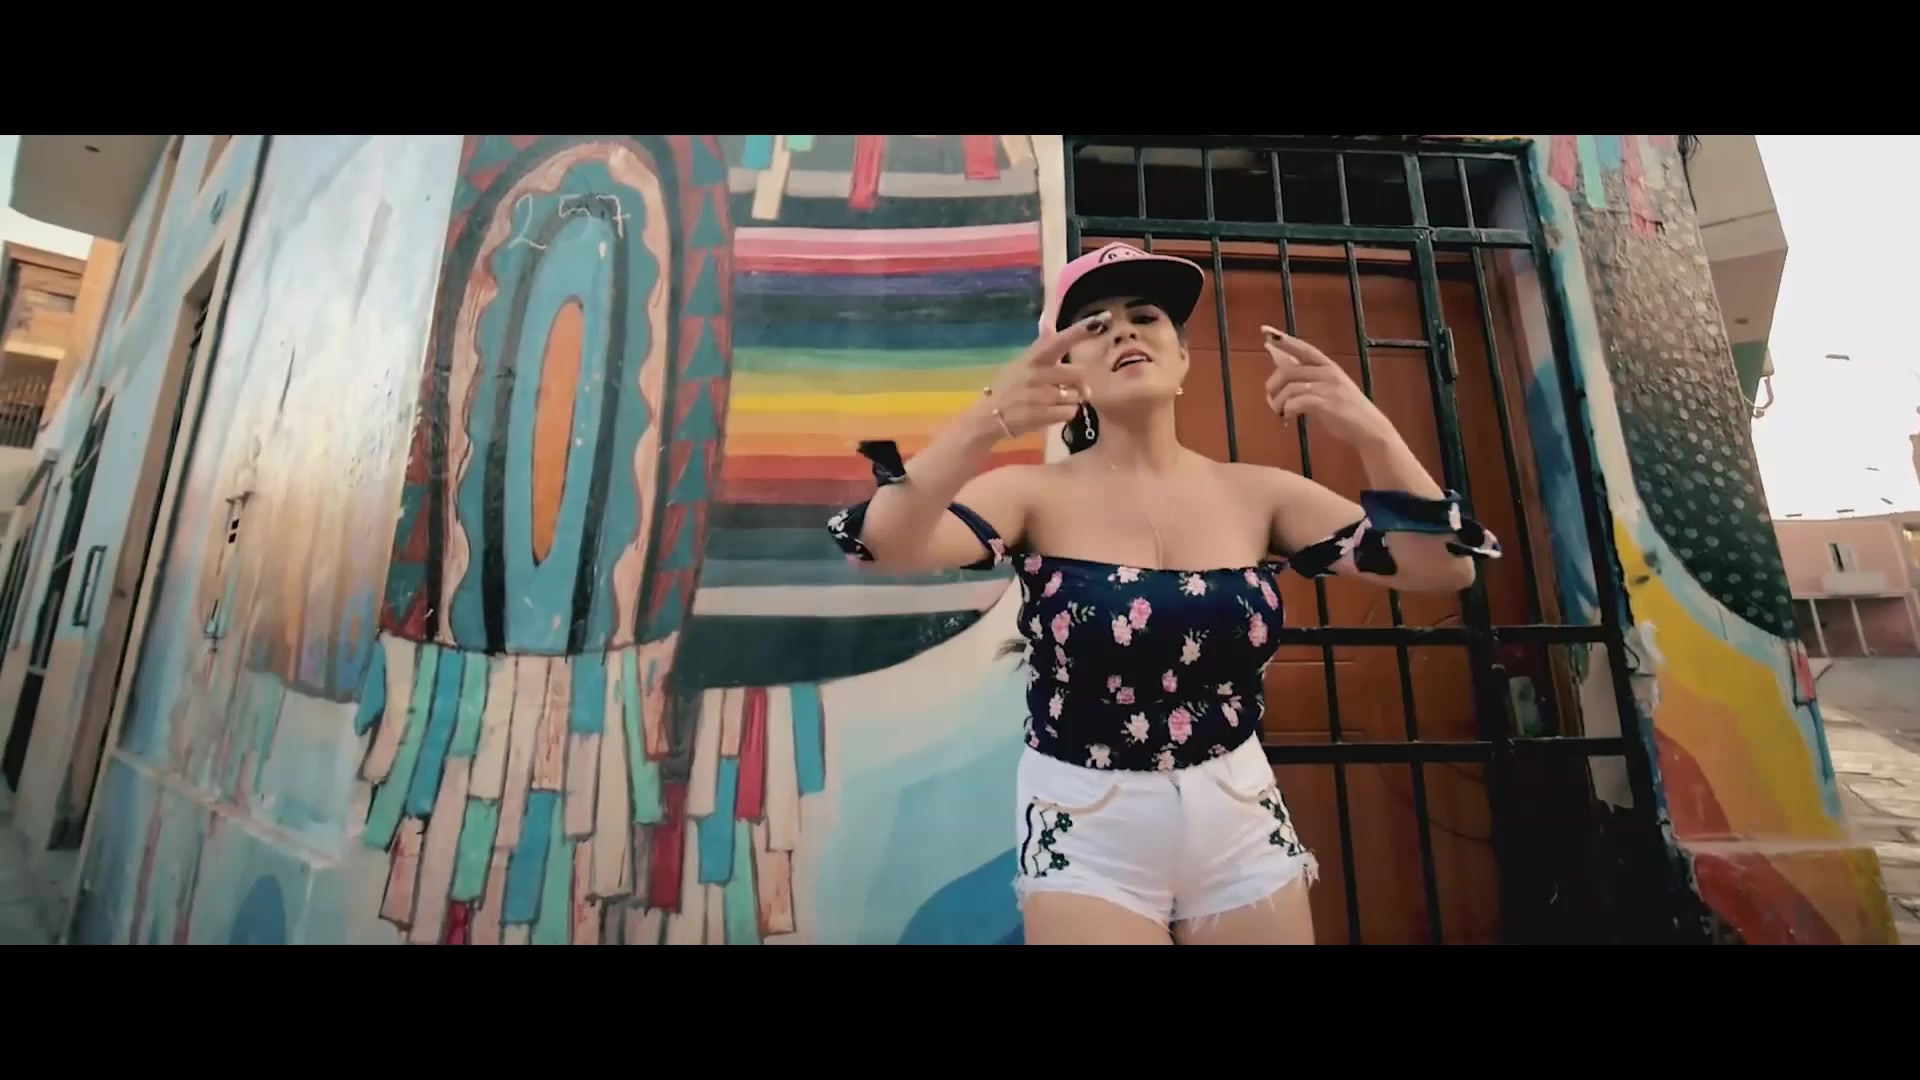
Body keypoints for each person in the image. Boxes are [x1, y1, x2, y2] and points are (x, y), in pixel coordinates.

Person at [824, 242, 1501, 945]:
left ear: (1182, 357)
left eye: (1145, 316)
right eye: (1094, 325)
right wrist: (985, 420)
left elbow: (1440, 569)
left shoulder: (1260, 494)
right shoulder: (1030, 495)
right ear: (1067, 369)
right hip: (1086, 819)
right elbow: (885, 543)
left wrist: (1371, 429)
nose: (1123, 330)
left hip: (1237, 806)